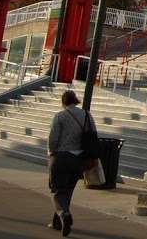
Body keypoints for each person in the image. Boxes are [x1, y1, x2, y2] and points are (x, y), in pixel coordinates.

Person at [47, 89, 96, 236]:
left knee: (57, 190)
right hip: (78, 159)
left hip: (60, 157)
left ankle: (64, 215)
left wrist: (52, 153)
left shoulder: (60, 116)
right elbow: (93, 134)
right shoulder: (87, 115)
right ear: (75, 100)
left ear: (63, 102)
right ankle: (57, 222)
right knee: (68, 190)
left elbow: (53, 139)